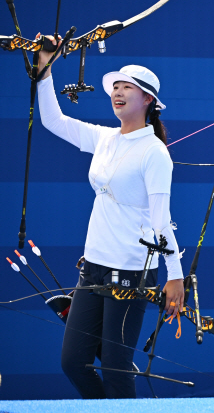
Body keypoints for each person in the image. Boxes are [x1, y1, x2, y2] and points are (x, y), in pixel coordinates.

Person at [36, 34, 185, 399]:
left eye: (127, 88)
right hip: (93, 269)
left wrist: (176, 276)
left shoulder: (155, 153)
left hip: (131, 275)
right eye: (115, 86)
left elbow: (161, 219)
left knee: (117, 372)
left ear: (148, 100)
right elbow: (52, 120)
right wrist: (45, 67)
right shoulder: (104, 138)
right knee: (73, 362)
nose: (118, 92)